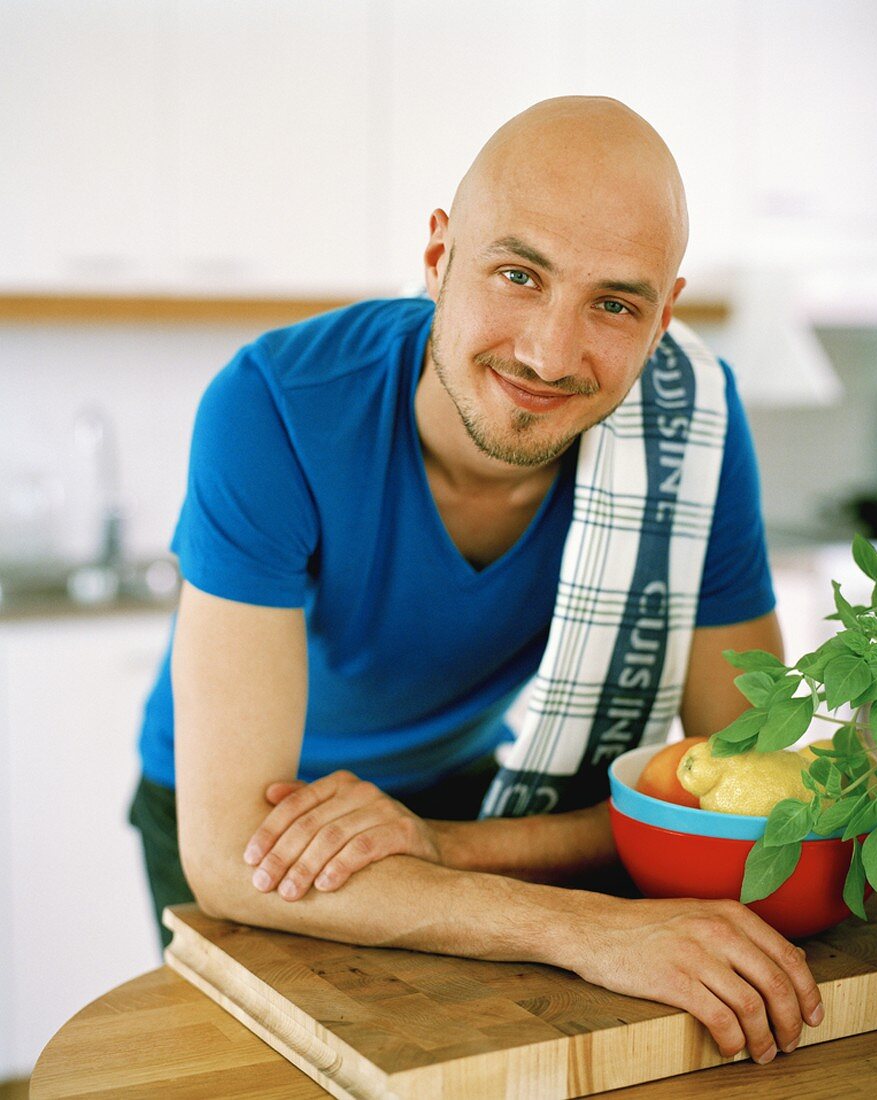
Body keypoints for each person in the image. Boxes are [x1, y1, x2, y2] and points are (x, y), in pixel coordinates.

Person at [129, 96, 823, 1066]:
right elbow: (233, 855)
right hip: (247, 810)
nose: (546, 351)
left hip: (467, 801)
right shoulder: (275, 404)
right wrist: (585, 927)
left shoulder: (689, 435)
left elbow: (742, 791)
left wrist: (447, 846)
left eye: (613, 303)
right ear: (437, 255)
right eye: (516, 273)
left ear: (663, 318)